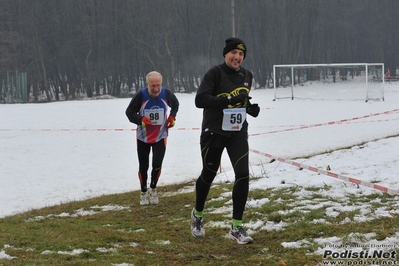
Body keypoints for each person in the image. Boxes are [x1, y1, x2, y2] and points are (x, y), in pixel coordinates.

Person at [191, 38, 260, 244]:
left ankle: (237, 227)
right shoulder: (215, 73)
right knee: (209, 174)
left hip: (237, 133)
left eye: (241, 54)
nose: (237, 57)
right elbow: (200, 100)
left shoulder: (247, 75)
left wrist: (250, 109)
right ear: (225, 54)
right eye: (233, 53)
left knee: (243, 174)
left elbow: (241, 101)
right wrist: (228, 101)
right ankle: (198, 215)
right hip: (213, 132)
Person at [126, 71, 179, 205]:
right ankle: (143, 192)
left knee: (157, 165)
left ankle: (153, 189)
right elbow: (129, 112)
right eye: (152, 86)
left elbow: (176, 105)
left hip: (160, 136)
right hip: (143, 137)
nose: (156, 89)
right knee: (143, 166)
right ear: (147, 85)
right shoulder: (141, 95)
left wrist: (172, 117)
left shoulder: (166, 94)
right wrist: (141, 119)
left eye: (158, 85)